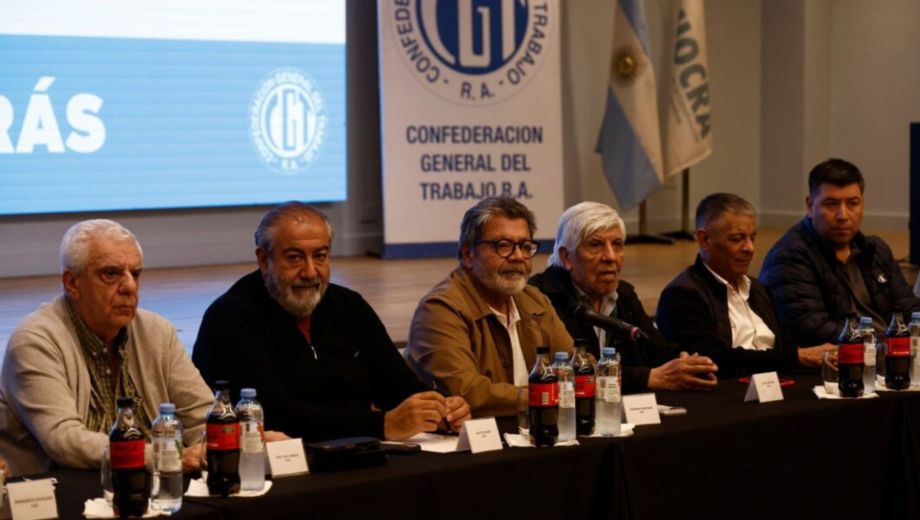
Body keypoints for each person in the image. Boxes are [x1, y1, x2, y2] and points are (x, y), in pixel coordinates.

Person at [192, 202, 469, 442]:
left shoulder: (349, 306)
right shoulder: (229, 318)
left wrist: (440, 409)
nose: (310, 271)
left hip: (362, 450)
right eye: (294, 258)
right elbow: (272, 412)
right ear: (264, 260)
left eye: (320, 256)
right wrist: (381, 425)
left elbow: (397, 384)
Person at [0, 220, 214, 477]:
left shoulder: (157, 332)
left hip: (150, 484)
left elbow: (202, 417)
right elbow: (64, 441)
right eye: (111, 274)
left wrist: (224, 442)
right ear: (72, 283)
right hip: (63, 488)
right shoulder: (34, 341)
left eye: (135, 274)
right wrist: (164, 455)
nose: (130, 286)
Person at [405, 197, 573, 417]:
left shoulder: (535, 300)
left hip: (537, 428)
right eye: (503, 246)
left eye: (525, 246)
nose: (518, 257)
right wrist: (546, 395)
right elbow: (470, 393)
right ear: (468, 254)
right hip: (476, 436)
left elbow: (571, 367)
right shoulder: (440, 310)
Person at [529, 202, 718, 393]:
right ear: (566, 257)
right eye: (595, 245)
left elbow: (654, 348)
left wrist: (683, 362)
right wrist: (647, 378)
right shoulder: (541, 298)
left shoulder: (624, 294)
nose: (610, 256)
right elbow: (571, 374)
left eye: (617, 245)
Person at [656, 194, 832, 378]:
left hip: (778, 384)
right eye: (736, 239)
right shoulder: (682, 296)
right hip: (728, 390)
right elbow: (714, 360)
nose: (749, 248)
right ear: (704, 239)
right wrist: (796, 357)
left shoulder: (757, 288)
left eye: (752, 238)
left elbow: (785, 345)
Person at [760, 158, 920, 345]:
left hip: (892, 351)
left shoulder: (876, 250)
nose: (843, 215)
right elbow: (812, 330)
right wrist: (887, 345)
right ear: (810, 206)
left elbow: (909, 309)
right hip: (842, 357)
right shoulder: (789, 257)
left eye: (853, 203)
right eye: (831, 204)